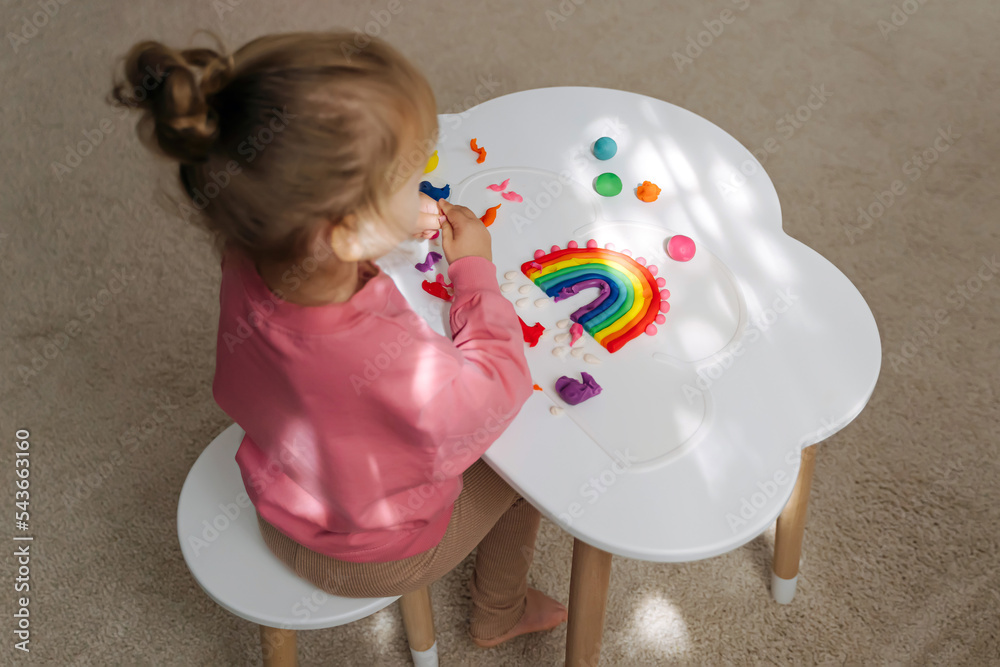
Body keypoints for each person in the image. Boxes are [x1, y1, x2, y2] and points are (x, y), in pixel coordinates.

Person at [111, 31, 567, 647]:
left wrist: (383, 232)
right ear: (347, 232)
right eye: (409, 177)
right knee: (531, 472)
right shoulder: (388, 364)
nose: (423, 185)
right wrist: (474, 272)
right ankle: (500, 614)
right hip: (377, 553)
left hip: (273, 495)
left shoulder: (250, 251)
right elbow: (497, 388)